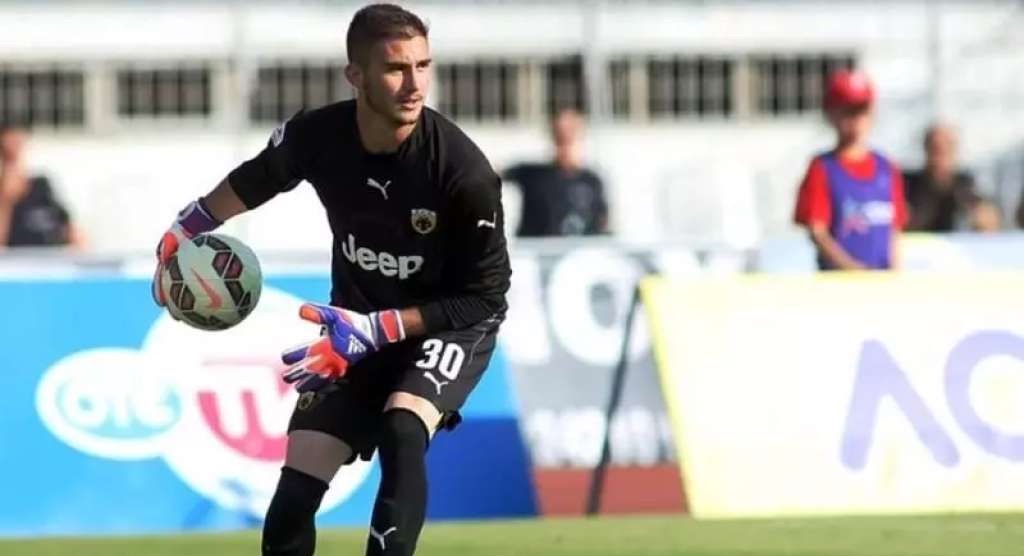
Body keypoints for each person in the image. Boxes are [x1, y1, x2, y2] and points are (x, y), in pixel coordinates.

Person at [151, 5, 510, 555]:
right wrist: (187, 227)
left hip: (446, 325)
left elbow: (484, 297)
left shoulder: (464, 174)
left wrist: (382, 327)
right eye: (396, 69)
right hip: (353, 328)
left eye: (423, 66)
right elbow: (260, 177)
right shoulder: (319, 135)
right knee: (297, 488)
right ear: (355, 75)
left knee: (402, 428)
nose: (414, 84)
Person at [793, 69, 907, 271]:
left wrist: (894, 271)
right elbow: (817, 231)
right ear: (831, 114)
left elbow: (894, 229)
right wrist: (852, 270)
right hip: (840, 281)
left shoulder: (886, 168)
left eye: (862, 111)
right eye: (848, 112)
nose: (856, 120)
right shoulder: (823, 168)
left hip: (882, 279)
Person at [502, 108, 609, 237]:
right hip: (535, 248)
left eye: (570, 139)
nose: (565, 147)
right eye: (560, 139)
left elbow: (602, 223)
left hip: (578, 249)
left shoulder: (592, 181)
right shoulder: (532, 174)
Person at [903, 123, 1000, 232]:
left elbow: (990, 220)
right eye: (935, 148)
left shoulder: (967, 185)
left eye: (947, 148)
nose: (940, 154)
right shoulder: (907, 185)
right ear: (926, 148)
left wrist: (983, 218)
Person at [0, 125, 85, 249]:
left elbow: (70, 228)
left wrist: (77, 242)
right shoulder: (4, 196)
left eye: (18, 146)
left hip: (51, 255)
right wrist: (6, 201)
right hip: (18, 257)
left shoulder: (41, 186)